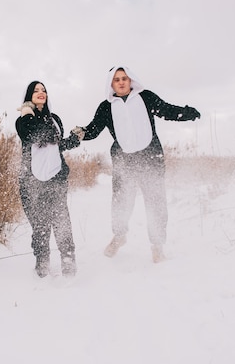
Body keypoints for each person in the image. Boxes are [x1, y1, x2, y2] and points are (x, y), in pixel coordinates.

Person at [73, 66, 200, 263]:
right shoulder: (106, 107)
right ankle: (119, 235)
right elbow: (94, 129)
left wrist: (187, 113)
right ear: (111, 84)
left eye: (124, 78)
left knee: (156, 203)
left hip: (151, 158)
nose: (122, 82)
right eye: (117, 79)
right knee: (121, 202)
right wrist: (81, 133)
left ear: (131, 80)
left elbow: (166, 110)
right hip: (125, 161)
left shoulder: (146, 97)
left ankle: (157, 247)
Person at [16, 81, 83, 278]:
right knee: (39, 225)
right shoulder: (22, 120)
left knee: (62, 221)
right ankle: (42, 263)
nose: (41, 93)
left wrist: (73, 140)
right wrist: (28, 112)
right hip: (31, 182)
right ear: (29, 96)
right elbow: (35, 135)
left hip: (56, 178)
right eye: (36, 90)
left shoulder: (54, 119)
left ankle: (68, 260)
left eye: (43, 90)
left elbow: (55, 144)